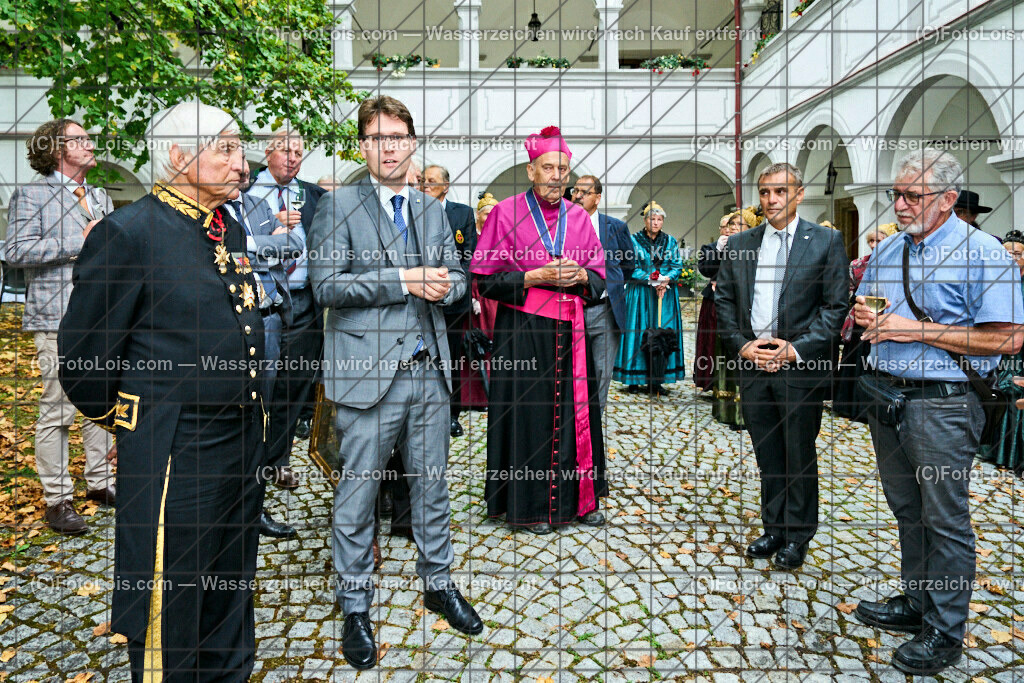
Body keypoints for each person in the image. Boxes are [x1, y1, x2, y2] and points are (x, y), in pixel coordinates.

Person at [58, 100, 266, 679]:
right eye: (225, 148)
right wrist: (139, 419)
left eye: (239, 147)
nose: (240, 161)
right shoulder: (130, 232)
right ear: (177, 158)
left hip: (240, 437)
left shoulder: (228, 226)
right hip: (178, 449)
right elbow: (82, 359)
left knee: (231, 579)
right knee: (173, 592)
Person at [307, 95, 482, 671]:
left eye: (398, 138)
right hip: (365, 374)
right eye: (377, 138)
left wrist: (446, 288)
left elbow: (460, 280)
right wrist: (403, 279)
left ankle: (438, 582)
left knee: (431, 487)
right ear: (364, 145)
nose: (389, 148)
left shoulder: (433, 210)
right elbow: (327, 286)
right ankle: (354, 604)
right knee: (357, 494)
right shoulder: (339, 206)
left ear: (412, 144)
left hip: (428, 370)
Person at [850, 149, 1023, 676]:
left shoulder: (983, 253)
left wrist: (913, 330)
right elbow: (869, 306)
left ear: (948, 200)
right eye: (895, 195)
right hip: (889, 398)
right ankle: (917, 601)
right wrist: (866, 314)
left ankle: (945, 631)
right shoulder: (890, 250)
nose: (899, 205)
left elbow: (1009, 338)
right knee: (908, 510)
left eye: (912, 196)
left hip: (943, 406)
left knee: (945, 521)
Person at [471, 125, 608, 536]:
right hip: (523, 331)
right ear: (531, 170)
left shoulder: (580, 217)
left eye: (562, 170)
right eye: (548, 168)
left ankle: (579, 501)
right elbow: (484, 280)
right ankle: (531, 507)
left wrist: (582, 275)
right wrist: (533, 277)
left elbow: (602, 280)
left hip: (572, 331)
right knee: (531, 418)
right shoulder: (505, 213)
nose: (556, 177)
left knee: (575, 417)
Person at [715, 162, 848, 570]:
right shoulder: (740, 244)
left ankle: (798, 534)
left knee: (798, 451)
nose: (772, 200)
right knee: (767, 451)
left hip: (798, 365)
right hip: (753, 363)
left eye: (780, 191)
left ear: (799, 193)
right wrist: (743, 346)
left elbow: (834, 307)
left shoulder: (825, 242)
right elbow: (724, 304)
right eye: (765, 192)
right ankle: (773, 527)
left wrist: (794, 350)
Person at [4, 118, 115, 534]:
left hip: (103, 318)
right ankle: (57, 499)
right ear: (56, 150)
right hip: (57, 319)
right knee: (59, 410)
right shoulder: (32, 195)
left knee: (101, 405)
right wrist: (79, 243)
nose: (90, 144)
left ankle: (101, 484)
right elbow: (14, 251)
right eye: (80, 140)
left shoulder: (101, 195)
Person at [225, 160, 304, 539]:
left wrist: (248, 246)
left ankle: (254, 506)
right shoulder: (208, 212)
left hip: (269, 319)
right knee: (232, 413)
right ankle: (227, 504)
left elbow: (293, 245)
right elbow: (218, 260)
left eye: (244, 165)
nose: (241, 171)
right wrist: (265, 245)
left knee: (262, 410)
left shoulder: (257, 205)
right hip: (228, 326)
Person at [247, 130, 327, 483]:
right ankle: (250, 461)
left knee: (294, 387)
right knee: (261, 386)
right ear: (268, 153)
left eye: (298, 152)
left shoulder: (315, 197)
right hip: (262, 302)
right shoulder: (244, 194)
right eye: (285, 150)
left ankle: (277, 460)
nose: (292, 157)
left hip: (305, 302)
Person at [571, 174, 634, 413]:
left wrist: (611, 287)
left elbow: (628, 266)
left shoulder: (615, 228)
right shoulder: (560, 224)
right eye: (575, 191)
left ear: (597, 198)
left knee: (600, 372)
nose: (577, 196)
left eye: (584, 192)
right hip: (571, 309)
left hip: (605, 311)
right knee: (570, 371)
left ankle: (593, 427)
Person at [423, 163, 477, 436]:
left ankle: (452, 415)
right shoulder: (414, 210)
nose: (425, 184)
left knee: (452, 359)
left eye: (431, 181)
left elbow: (469, 254)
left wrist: (451, 284)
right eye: (422, 180)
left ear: (445, 185)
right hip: (421, 300)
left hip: (453, 301)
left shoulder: (463, 213)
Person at [612, 202, 686, 395]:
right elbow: (630, 266)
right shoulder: (633, 241)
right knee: (638, 332)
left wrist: (666, 279)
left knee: (663, 334)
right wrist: (653, 280)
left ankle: (658, 379)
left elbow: (677, 265)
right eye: (652, 219)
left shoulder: (670, 241)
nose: (656, 222)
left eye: (659, 219)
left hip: (665, 294)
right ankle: (634, 378)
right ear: (645, 220)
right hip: (641, 294)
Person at [833, 223, 899, 421]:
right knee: (854, 363)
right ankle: (847, 405)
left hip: (887, 319)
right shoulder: (858, 264)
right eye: (871, 240)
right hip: (860, 319)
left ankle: (870, 408)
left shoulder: (896, 264)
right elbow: (848, 292)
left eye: (879, 240)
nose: (874, 244)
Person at [695, 212, 749, 429]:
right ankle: (724, 405)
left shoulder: (754, 247)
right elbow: (706, 269)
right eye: (731, 224)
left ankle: (746, 409)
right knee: (721, 353)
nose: (734, 228)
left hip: (746, 309)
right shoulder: (715, 248)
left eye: (739, 224)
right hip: (721, 306)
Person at [977, 229, 1024, 473]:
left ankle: (1013, 453)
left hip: (1019, 352)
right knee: (995, 393)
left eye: (1017, 254)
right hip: (995, 347)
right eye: (1006, 254)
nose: (1011, 258)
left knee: (1014, 395)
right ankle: (992, 448)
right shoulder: (995, 281)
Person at [459, 193, 500, 411]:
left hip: (493, 296)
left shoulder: (499, 236)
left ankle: (490, 394)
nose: (490, 217)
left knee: (492, 344)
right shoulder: (472, 236)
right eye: (486, 213)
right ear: (478, 215)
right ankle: (472, 397)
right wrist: (471, 296)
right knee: (473, 345)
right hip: (474, 295)